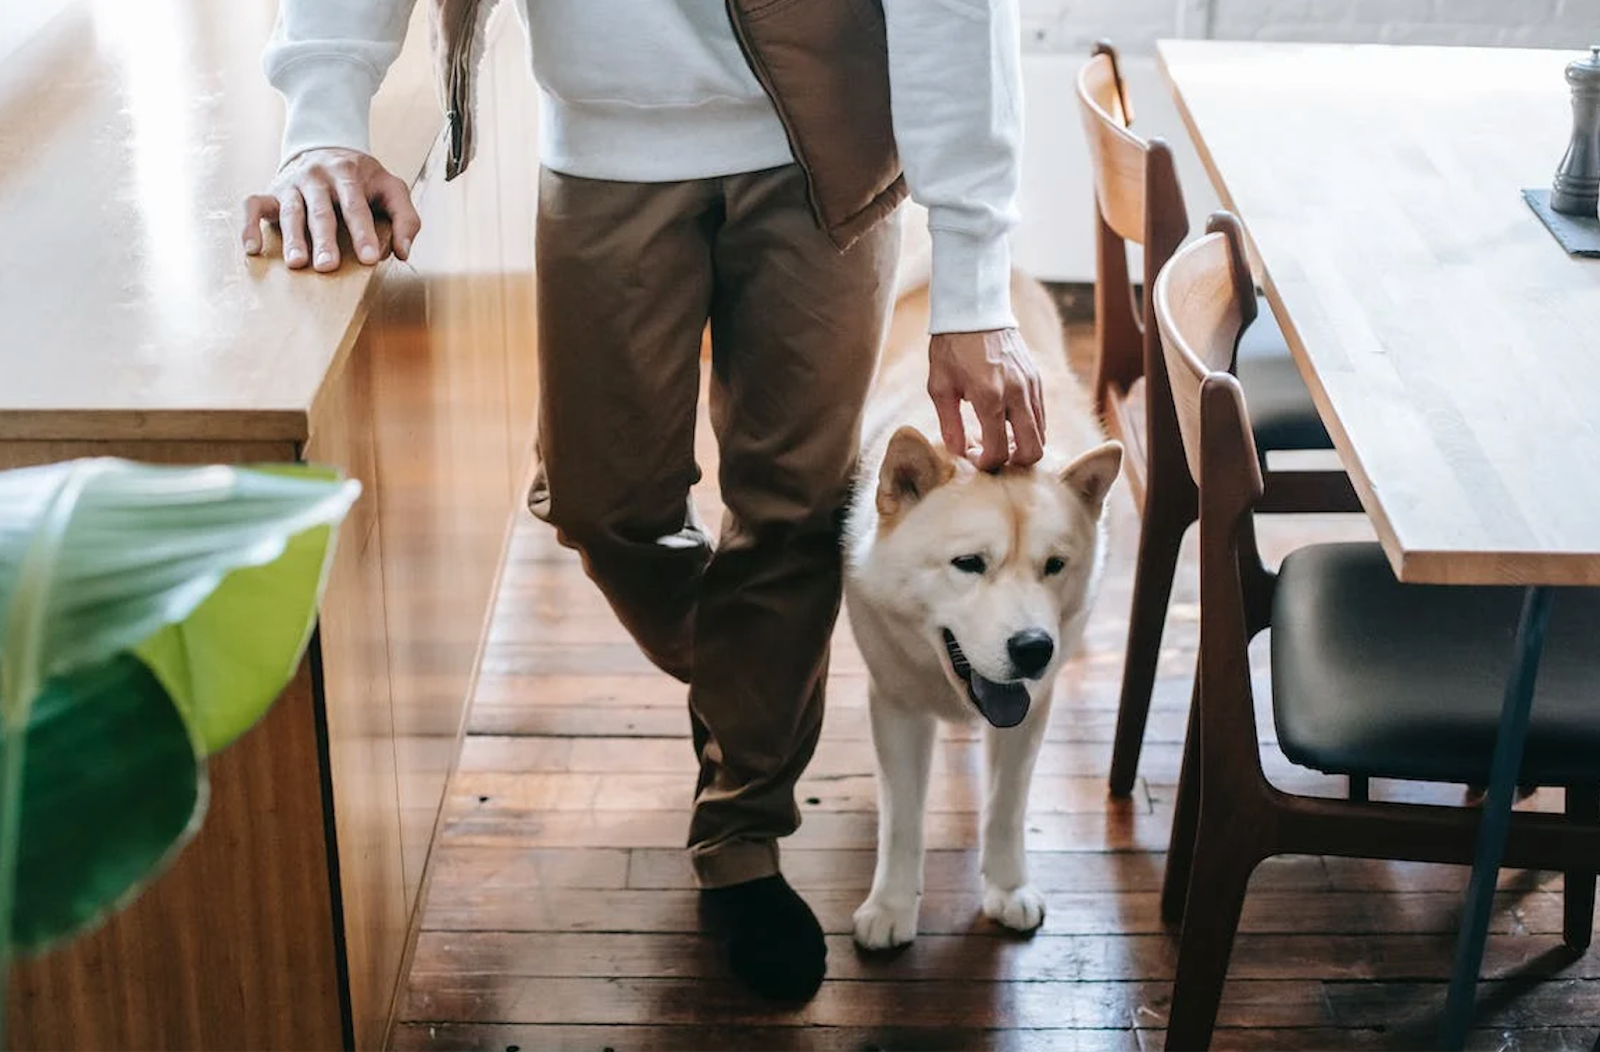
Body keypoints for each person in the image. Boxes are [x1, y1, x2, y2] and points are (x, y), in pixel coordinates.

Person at [243, 0, 1043, 1004]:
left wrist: (974, 283)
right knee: (600, 502)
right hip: (603, 143)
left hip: (826, 152)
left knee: (793, 516)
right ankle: (756, 687)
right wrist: (321, 114)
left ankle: (742, 831)